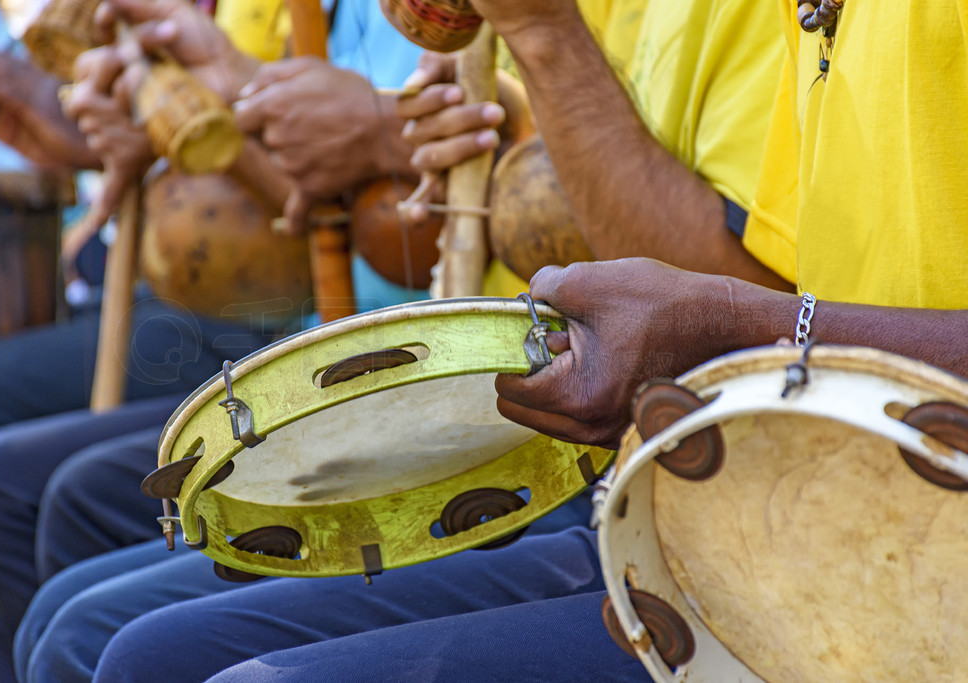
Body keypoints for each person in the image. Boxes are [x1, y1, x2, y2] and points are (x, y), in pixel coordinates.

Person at [11, 0, 800, 680]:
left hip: (663, 462)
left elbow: (732, 318)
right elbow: (378, 238)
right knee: (59, 542)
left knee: (114, 637)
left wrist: (517, 52)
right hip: (487, 390)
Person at [206, 0, 968, 677]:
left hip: (896, 557)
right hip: (781, 509)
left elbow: (749, 299)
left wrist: (542, 36)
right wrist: (475, 143)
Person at [0, 0, 431, 679]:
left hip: (348, 338)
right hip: (288, 316)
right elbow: (287, 190)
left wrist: (357, 130)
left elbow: (388, 240)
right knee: (7, 491)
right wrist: (145, 133)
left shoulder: (452, 25)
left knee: (80, 609)